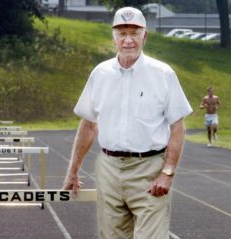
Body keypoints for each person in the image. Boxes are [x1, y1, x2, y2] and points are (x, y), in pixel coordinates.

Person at [62, 6, 192, 239]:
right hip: (109, 169)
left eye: (134, 32)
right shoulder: (100, 74)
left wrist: (168, 172)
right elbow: (89, 125)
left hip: (150, 170)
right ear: (114, 37)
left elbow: (177, 128)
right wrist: (73, 171)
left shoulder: (163, 74)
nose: (128, 40)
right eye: (122, 33)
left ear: (145, 35)